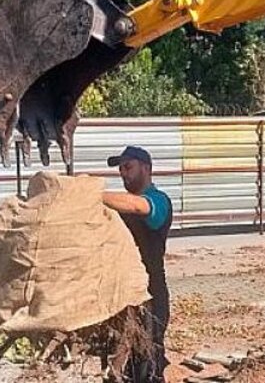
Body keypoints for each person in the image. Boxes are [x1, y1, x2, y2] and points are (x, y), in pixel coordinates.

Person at [102, 146, 174, 383]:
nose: (123, 173)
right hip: (121, 295)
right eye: (121, 169)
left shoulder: (158, 200)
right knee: (120, 366)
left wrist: (90, 194)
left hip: (150, 296)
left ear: (146, 168)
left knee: (147, 365)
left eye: (128, 167)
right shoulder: (119, 207)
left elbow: (137, 206)